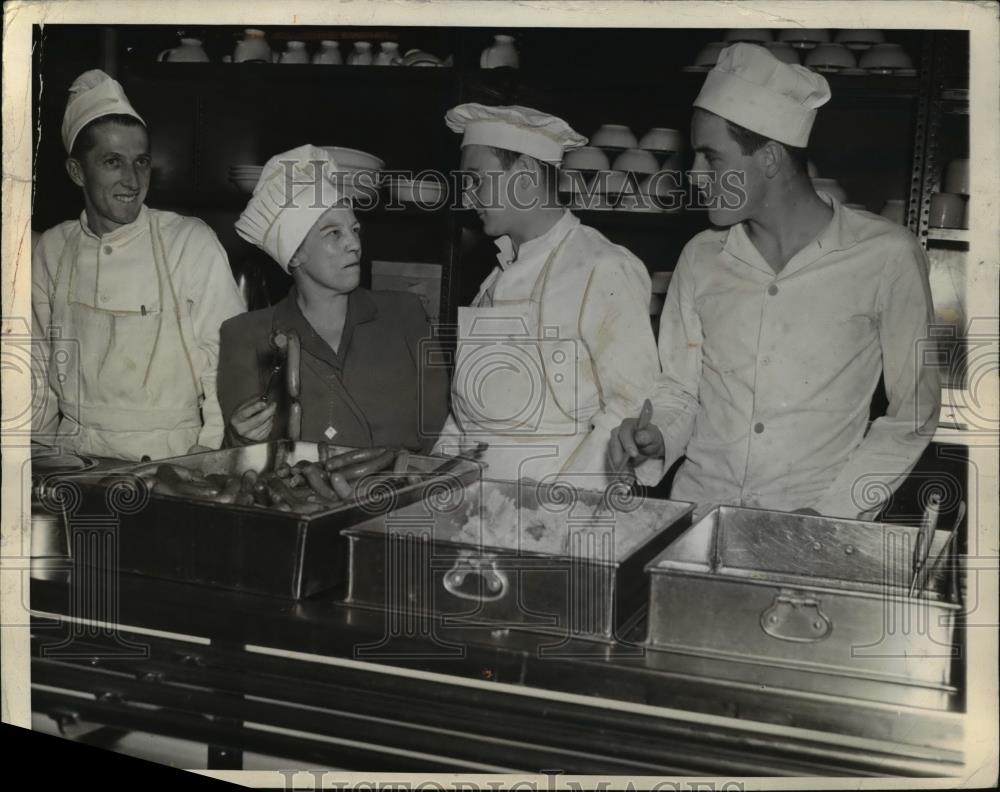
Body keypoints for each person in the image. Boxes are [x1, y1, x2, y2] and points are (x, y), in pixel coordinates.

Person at [610, 43, 940, 520]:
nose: (694, 175)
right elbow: (680, 389)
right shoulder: (701, 256)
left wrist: (833, 513)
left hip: (818, 527)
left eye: (711, 158)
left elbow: (916, 410)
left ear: (768, 159)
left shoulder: (888, 255)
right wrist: (656, 433)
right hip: (696, 518)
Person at [436, 103, 660, 488]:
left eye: (476, 180)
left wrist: (554, 513)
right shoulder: (491, 281)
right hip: (476, 509)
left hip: (558, 511)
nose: (468, 196)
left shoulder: (601, 266)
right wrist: (433, 483)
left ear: (523, 175)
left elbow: (628, 410)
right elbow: (464, 417)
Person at [32, 70, 246, 460]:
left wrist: (209, 451)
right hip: (72, 453)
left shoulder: (187, 242)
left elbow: (227, 357)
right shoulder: (52, 248)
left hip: (170, 455)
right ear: (77, 172)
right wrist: (36, 454)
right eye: (113, 162)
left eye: (141, 162)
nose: (132, 180)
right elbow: (36, 363)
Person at [219, 144, 448, 452]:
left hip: (402, 495)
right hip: (298, 499)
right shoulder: (247, 335)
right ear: (296, 254)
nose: (354, 244)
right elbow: (241, 464)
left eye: (354, 229)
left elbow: (438, 435)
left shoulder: (405, 315)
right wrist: (240, 439)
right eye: (334, 234)